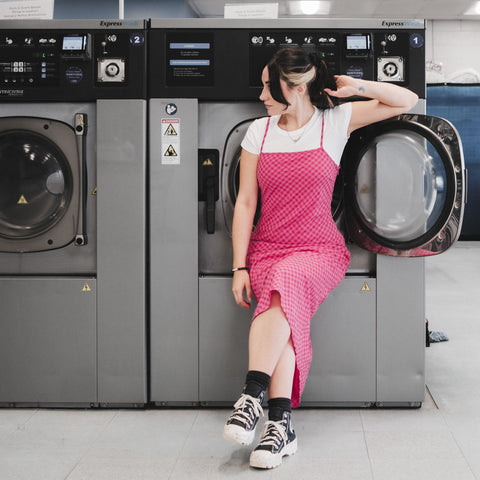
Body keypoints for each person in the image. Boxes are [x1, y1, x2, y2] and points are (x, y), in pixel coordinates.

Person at [222, 46, 418, 470]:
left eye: (267, 86)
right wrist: (239, 265)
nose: (261, 95)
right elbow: (245, 203)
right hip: (268, 247)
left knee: (286, 284)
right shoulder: (259, 131)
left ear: (294, 88)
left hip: (318, 248)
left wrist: (356, 87)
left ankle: (252, 394)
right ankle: (279, 427)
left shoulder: (335, 122)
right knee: (283, 303)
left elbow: (408, 100)